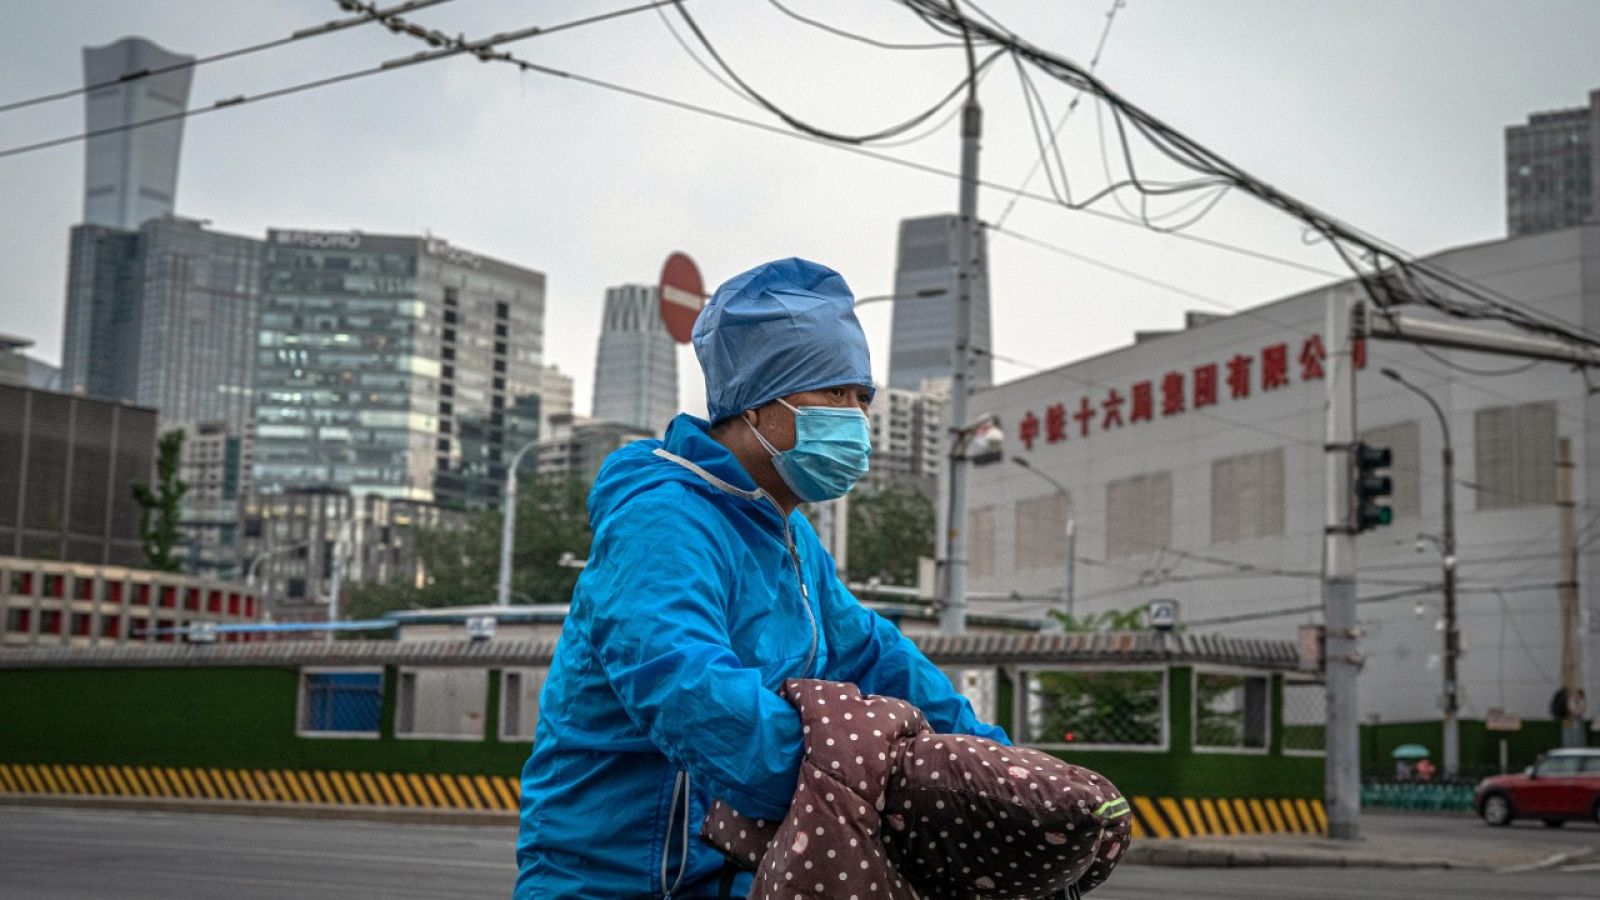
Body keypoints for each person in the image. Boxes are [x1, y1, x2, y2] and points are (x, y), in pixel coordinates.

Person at [515, 258, 1008, 899]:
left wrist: (989, 761)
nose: (855, 419)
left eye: (862, 398)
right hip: (616, 881)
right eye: (833, 394)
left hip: (734, 876)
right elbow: (682, 680)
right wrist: (850, 792)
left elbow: (871, 653)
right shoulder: (664, 518)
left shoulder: (787, 532)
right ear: (755, 405)